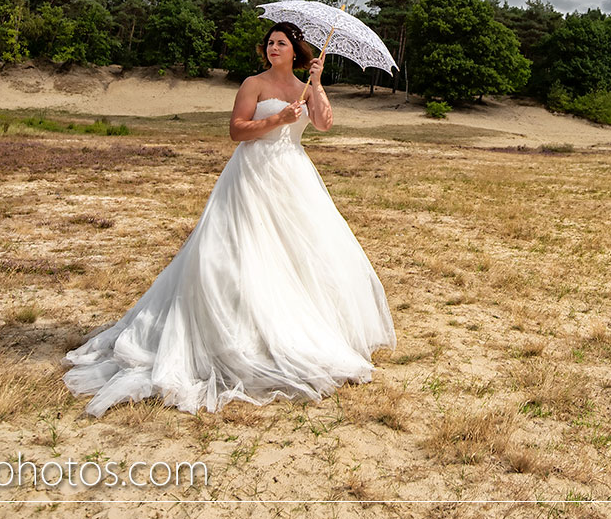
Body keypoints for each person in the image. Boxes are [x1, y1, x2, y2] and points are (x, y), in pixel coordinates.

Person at [63, 21, 397, 416]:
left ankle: (288, 330)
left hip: (293, 176)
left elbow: (324, 124)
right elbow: (237, 131)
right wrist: (276, 120)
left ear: (296, 50)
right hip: (251, 174)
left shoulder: (305, 86)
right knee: (236, 253)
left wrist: (319, 83)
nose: (274, 48)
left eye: (282, 43)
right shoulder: (252, 84)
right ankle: (234, 334)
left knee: (298, 257)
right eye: (270, 43)